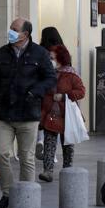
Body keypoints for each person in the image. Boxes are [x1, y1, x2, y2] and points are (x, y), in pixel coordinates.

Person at [0, 18, 56, 208]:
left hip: (28, 115)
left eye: (14, 29)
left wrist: (34, 92)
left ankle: (26, 198)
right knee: (0, 153)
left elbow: (50, 78)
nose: (11, 32)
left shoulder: (39, 53)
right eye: (10, 28)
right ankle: (7, 194)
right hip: (4, 114)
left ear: (25, 34)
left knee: (26, 158)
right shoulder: (3, 52)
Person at [39, 44, 86, 182]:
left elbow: (81, 91)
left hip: (66, 116)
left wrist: (65, 96)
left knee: (68, 145)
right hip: (50, 115)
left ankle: (67, 170)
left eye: (52, 57)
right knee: (49, 143)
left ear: (60, 58)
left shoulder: (71, 75)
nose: (50, 60)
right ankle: (48, 171)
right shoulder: (47, 73)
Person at [36, 27, 65, 160]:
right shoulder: (61, 50)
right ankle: (51, 155)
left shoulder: (40, 50)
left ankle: (40, 141)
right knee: (55, 121)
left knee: (42, 117)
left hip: (43, 88)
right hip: (57, 89)